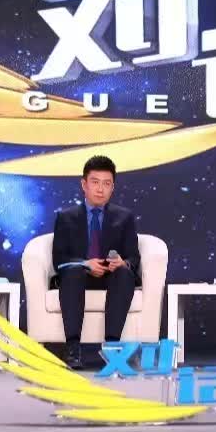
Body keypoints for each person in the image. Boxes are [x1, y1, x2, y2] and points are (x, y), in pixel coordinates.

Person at [50, 155, 140, 370]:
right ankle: (73, 348)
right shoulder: (66, 217)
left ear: (112, 188)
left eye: (106, 184)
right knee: (73, 271)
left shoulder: (124, 217)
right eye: (95, 182)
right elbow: (59, 259)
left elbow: (134, 257)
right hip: (79, 277)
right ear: (84, 184)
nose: (100, 189)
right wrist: (85, 263)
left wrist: (122, 263)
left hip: (112, 278)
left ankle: (112, 347)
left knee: (124, 273)